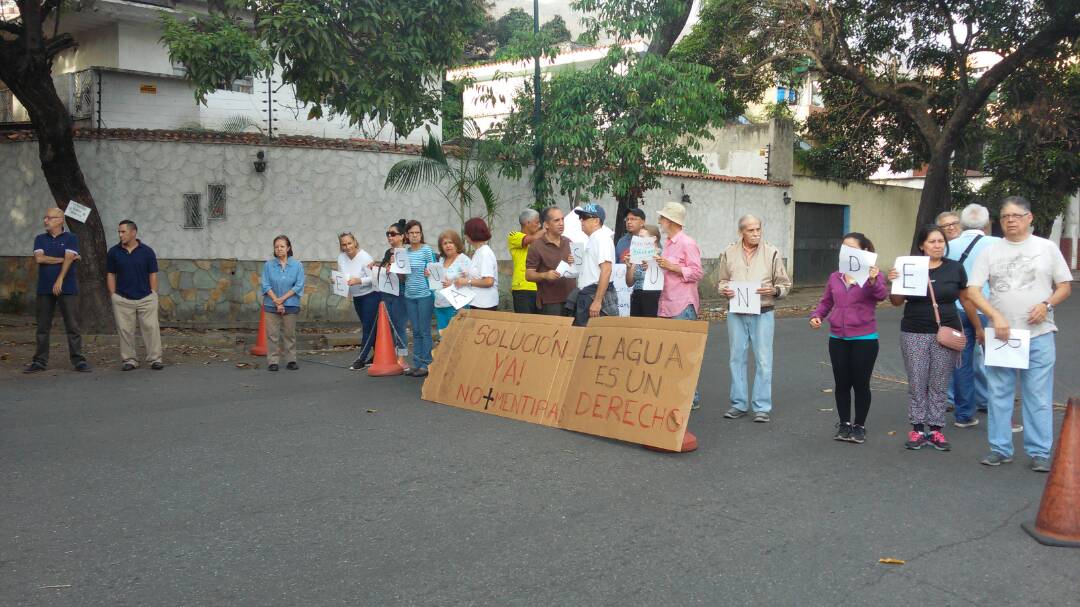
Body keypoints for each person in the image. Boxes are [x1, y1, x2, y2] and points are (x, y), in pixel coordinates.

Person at [966, 196, 1073, 472]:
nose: (1010, 220)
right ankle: (1000, 448)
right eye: (1004, 217)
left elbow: (1064, 285)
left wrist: (1046, 304)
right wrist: (995, 316)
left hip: (1039, 333)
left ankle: (1039, 451)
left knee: (1037, 395)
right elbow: (974, 290)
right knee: (999, 393)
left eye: (1016, 215)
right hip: (1001, 334)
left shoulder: (1046, 248)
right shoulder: (990, 251)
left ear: (1029, 217)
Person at [888, 225, 979, 451]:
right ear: (922, 245)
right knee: (918, 382)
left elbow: (966, 300)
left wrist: (978, 327)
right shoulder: (909, 267)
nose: (937, 245)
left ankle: (936, 430)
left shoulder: (955, 268)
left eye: (940, 241)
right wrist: (894, 281)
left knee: (939, 382)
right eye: (932, 241)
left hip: (946, 331)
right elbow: (896, 301)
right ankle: (918, 429)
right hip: (914, 331)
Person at [809, 233, 888, 443]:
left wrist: (872, 280)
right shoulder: (836, 276)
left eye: (852, 248)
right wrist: (817, 316)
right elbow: (826, 301)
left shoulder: (873, 275)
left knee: (861, 384)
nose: (847, 252)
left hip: (865, 338)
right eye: (844, 247)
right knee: (842, 383)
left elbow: (882, 295)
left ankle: (859, 426)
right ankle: (844, 424)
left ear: (864, 252)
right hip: (838, 337)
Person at [717, 214, 791, 423]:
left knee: (764, 360)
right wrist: (725, 290)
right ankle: (738, 404)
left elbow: (785, 285)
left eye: (758, 229)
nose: (756, 233)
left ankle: (761, 406)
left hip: (764, 311)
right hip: (736, 311)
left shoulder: (772, 251)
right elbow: (722, 281)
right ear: (741, 232)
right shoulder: (729, 252)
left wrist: (774, 290)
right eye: (751, 230)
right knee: (736, 358)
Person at [944, 204, 999, 427]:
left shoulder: (948, 245)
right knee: (997, 363)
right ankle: (997, 413)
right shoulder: (997, 244)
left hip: (957, 308)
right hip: (988, 308)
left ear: (962, 223)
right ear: (986, 224)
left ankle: (964, 414)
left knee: (961, 361)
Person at [24, 207, 90, 373]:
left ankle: (78, 361)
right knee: (42, 327)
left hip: (67, 288)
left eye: (50, 218)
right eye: (45, 217)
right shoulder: (40, 238)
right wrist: (66, 258)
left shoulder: (71, 238)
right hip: (44, 288)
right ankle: (39, 362)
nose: (46, 220)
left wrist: (60, 278)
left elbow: (69, 258)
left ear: (60, 220)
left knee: (73, 326)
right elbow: (40, 258)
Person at [106, 219, 163, 371]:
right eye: (119, 232)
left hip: (146, 298)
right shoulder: (114, 252)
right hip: (122, 298)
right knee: (125, 330)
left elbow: (153, 274)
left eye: (123, 231)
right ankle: (130, 360)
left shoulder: (147, 251)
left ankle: (155, 359)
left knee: (151, 328)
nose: (120, 235)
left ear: (133, 232)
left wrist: (153, 293)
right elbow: (111, 274)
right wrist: (113, 295)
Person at [260, 235, 305, 371]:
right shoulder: (268, 265)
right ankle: (273, 361)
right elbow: (265, 284)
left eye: (282, 246)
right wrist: (276, 301)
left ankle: (291, 360)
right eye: (276, 247)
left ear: (288, 248)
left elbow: (298, 285)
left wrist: (282, 299)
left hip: (291, 303)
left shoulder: (297, 265)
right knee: (272, 334)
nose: (279, 249)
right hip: (271, 304)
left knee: (289, 334)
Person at [337, 232, 378, 371]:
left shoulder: (365, 257)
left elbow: (374, 278)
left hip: (371, 295)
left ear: (355, 242)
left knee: (367, 327)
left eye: (349, 243)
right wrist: (337, 281)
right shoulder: (341, 258)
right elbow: (343, 276)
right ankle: (378, 355)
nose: (347, 247)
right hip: (357, 296)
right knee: (371, 327)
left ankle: (361, 358)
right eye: (344, 244)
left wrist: (359, 280)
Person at [525, 206, 577, 316]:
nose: (561, 223)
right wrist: (545, 275)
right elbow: (528, 275)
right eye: (556, 220)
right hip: (550, 302)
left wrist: (574, 262)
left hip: (572, 299)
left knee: (573, 332)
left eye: (562, 219)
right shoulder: (536, 246)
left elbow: (576, 268)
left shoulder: (569, 242)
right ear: (546, 225)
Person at [572, 203, 618, 326]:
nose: (581, 220)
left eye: (585, 217)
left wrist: (597, 301)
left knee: (596, 338)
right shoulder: (594, 239)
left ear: (596, 221)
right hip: (589, 293)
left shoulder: (601, 238)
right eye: (580, 217)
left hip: (595, 294)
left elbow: (606, 270)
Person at [402, 220, 437, 377]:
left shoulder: (426, 250)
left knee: (424, 330)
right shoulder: (404, 253)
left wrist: (430, 273)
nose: (414, 235)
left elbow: (435, 271)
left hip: (425, 295)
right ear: (407, 235)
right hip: (410, 295)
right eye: (411, 233)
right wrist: (395, 268)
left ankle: (426, 363)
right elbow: (402, 277)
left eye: (417, 233)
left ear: (421, 234)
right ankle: (416, 363)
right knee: (415, 331)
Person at [373, 220, 410, 369]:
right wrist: (377, 266)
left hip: (401, 292)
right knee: (388, 324)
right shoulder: (388, 252)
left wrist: (395, 268)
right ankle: (392, 355)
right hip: (387, 291)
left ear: (402, 237)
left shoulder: (406, 253)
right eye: (388, 234)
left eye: (393, 234)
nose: (389, 237)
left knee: (400, 325)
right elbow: (383, 268)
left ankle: (402, 357)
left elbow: (405, 278)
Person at [433, 229, 471, 333]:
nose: (448, 245)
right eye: (445, 243)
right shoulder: (441, 260)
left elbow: (470, 281)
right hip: (440, 305)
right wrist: (430, 275)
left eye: (451, 242)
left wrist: (453, 284)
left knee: (457, 336)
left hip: (456, 306)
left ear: (457, 244)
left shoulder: (463, 259)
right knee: (444, 336)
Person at [458, 217, 499, 311]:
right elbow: (478, 275)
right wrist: (467, 275)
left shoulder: (484, 253)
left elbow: (489, 281)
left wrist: (467, 281)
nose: (465, 236)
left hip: (485, 304)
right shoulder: (479, 252)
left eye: (466, 233)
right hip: (478, 302)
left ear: (471, 234)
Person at [507, 209, 543, 314]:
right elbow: (530, 239)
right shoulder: (513, 235)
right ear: (527, 223)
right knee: (524, 324)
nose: (539, 225)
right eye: (537, 222)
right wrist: (546, 228)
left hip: (540, 286)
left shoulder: (540, 238)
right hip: (522, 287)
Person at [627, 224, 662, 317]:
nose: (638, 241)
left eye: (642, 237)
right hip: (637, 296)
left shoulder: (661, 256)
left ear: (653, 239)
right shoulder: (637, 254)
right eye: (638, 237)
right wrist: (630, 266)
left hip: (653, 297)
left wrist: (652, 265)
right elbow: (629, 283)